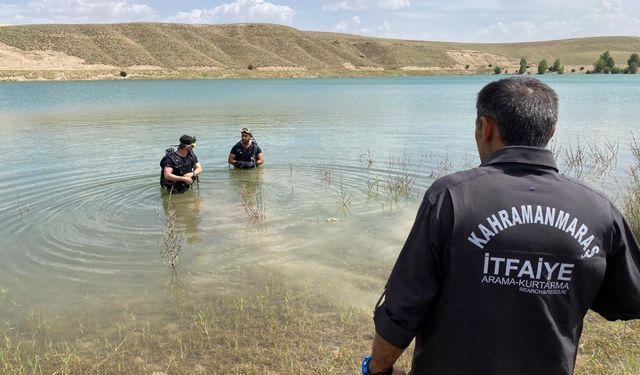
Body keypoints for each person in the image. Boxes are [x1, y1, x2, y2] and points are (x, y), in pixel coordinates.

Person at [361, 77, 640, 375]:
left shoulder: (451, 197)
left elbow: (403, 308)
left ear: (487, 127)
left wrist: (378, 369)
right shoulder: (598, 208)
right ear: (551, 131)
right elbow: (629, 299)